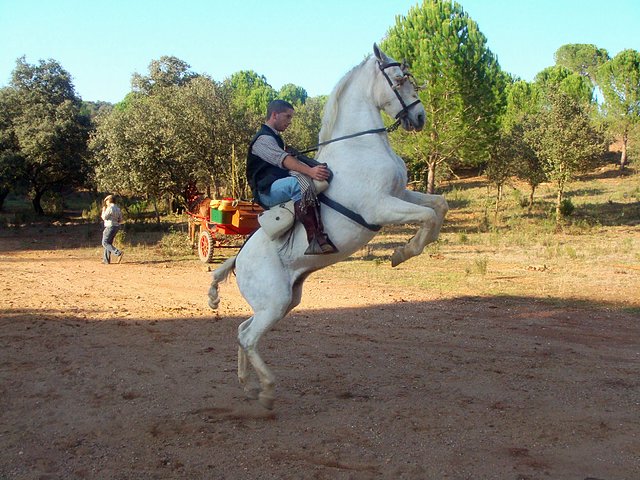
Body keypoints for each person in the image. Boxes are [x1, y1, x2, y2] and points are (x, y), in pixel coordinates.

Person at [246, 99, 338, 255]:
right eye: (287, 117)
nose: (290, 122)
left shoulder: (274, 138)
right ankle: (315, 239)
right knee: (296, 184)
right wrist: (311, 171)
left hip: (275, 185)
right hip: (266, 192)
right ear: (274, 115)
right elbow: (285, 160)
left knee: (301, 182)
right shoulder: (263, 140)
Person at [101, 195, 124, 264]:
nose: (106, 203)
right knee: (108, 243)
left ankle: (118, 252)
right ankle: (106, 260)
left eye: (106, 201)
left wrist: (103, 211)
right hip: (116, 227)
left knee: (104, 242)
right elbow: (120, 220)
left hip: (109, 226)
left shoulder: (110, 208)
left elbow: (104, 217)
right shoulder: (117, 208)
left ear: (109, 200)